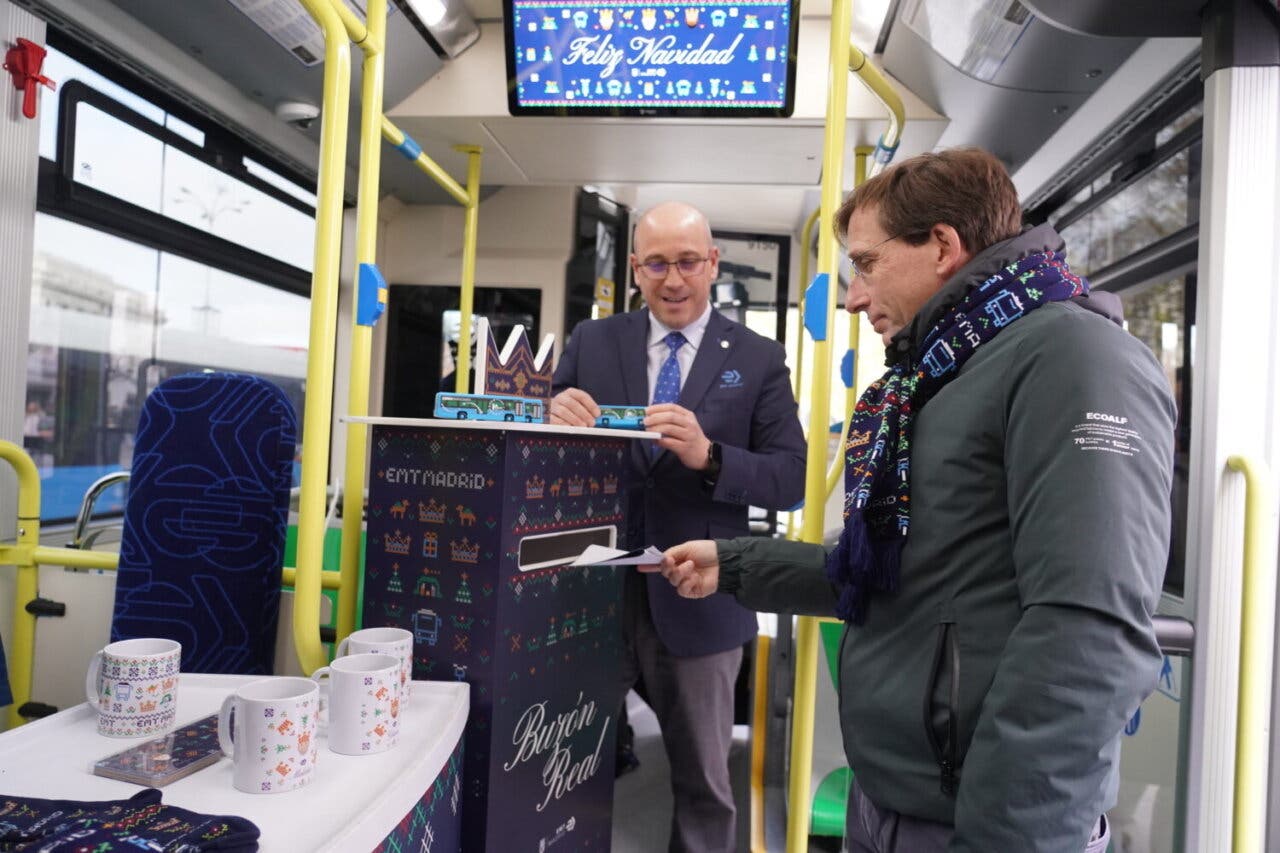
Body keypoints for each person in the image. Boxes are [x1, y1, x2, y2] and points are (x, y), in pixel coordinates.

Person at [649, 149, 1175, 853]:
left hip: (978, 820)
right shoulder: (936, 375)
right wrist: (735, 563)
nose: (853, 296)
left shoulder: (1074, 360)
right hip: (891, 797)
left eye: (866, 265)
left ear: (943, 246)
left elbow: (1089, 630)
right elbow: (897, 574)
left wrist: (1005, 834)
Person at [551, 201, 806, 852]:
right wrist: (548, 414)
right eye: (657, 263)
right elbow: (543, 449)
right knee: (566, 770)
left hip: (699, 596)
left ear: (713, 263)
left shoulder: (757, 357)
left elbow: (791, 478)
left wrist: (709, 455)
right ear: (635, 268)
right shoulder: (592, 342)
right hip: (590, 594)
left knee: (702, 787)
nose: (673, 279)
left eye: (688, 261)